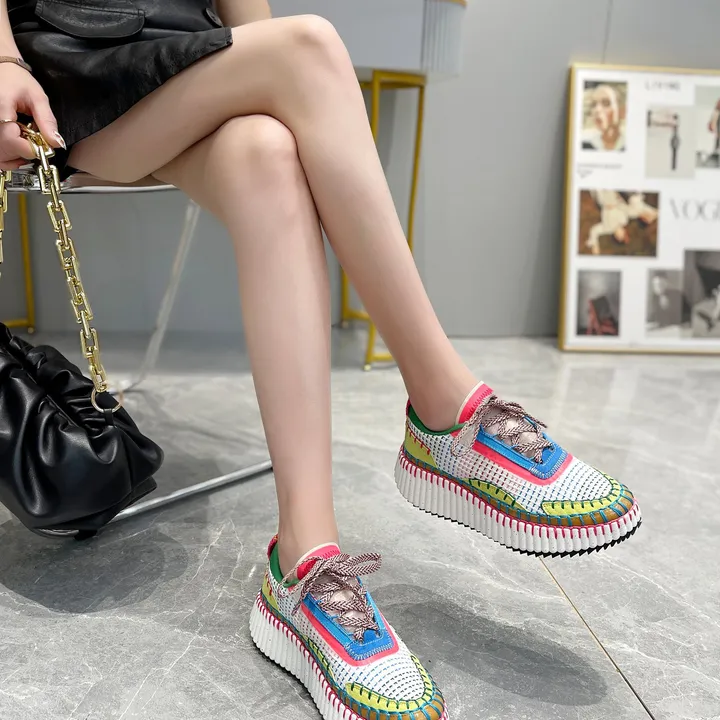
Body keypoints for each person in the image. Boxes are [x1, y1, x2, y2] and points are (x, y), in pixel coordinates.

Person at [0, 2, 641, 718]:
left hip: (184, 55)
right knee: (308, 46)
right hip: (65, 67)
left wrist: (244, 51)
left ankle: (302, 565)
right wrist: (1, 60)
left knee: (266, 153)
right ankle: (444, 411)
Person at [581, 83, 626, 152]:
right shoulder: (584, 143)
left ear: (622, 111)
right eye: (593, 105)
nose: (597, 110)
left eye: (606, 103)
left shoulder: (630, 143)